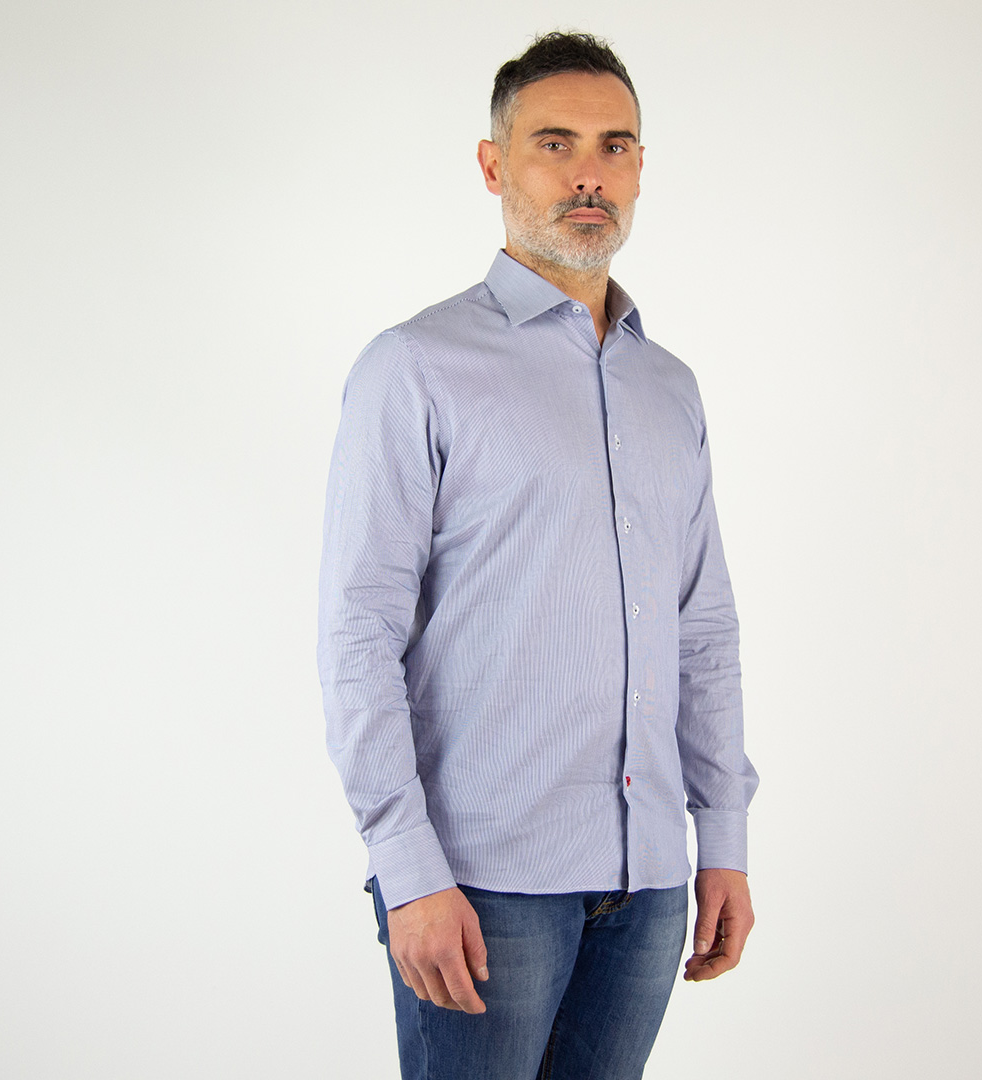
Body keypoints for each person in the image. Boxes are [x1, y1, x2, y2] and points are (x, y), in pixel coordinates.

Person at [318, 31, 759, 1080]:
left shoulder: (671, 387)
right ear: (493, 165)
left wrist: (724, 838)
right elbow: (359, 631)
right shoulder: (415, 366)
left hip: (650, 883)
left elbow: (702, 626)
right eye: (554, 144)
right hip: (480, 883)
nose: (587, 174)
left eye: (615, 146)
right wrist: (407, 866)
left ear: (640, 169)